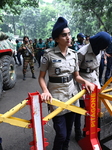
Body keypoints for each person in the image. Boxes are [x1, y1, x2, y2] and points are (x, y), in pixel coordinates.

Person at [38, 17, 94, 150]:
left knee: (68, 133)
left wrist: (86, 82)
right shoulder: (48, 55)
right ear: (57, 39)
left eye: (69, 34)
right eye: (64, 35)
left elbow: (77, 76)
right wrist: (45, 91)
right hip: (57, 98)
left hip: (73, 97)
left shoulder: (74, 55)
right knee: (61, 135)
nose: (68, 37)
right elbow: (41, 77)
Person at [74, 31, 111, 142]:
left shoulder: (100, 51)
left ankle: (89, 130)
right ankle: (77, 132)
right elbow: (75, 71)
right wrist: (79, 85)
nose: (107, 47)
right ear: (100, 43)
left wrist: (97, 83)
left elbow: (97, 69)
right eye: (106, 44)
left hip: (93, 79)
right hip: (82, 80)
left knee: (94, 107)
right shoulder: (82, 52)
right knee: (80, 108)